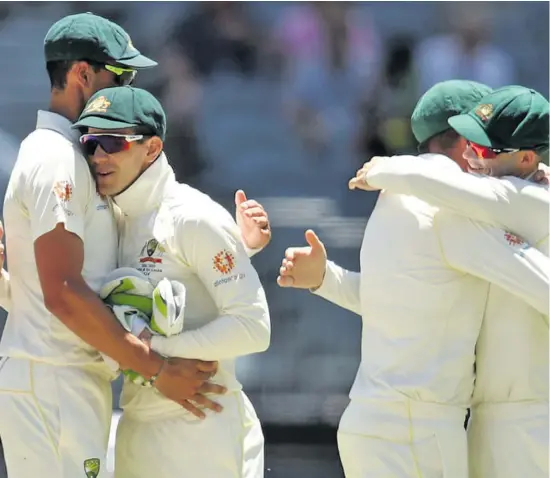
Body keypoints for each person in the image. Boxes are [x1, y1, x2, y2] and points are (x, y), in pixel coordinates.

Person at [0, 12, 270, 478]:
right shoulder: (58, 158)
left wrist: (234, 246)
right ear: (83, 75)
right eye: (120, 75)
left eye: (113, 141)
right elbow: (63, 291)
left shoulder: (82, 164)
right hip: (55, 377)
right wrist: (157, 367)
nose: (127, 89)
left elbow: (131, 266)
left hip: (75, 380)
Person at [277, 80, 550, 478]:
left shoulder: (392, 202)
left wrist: (327, 279)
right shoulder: (453, 212)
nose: (479, 161)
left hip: (370, 423)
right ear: (459, 144)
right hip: (421, 430)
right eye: (475, 146)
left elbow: (406, 302)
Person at [72, 85, 270, 478]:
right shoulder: (109, 221)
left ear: (152, 147)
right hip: (135, 427)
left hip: (201, 425)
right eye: (90, 143)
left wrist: (154, 352)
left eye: (112, 142)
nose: (97, 156)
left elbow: (254, 327)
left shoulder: (192, 215)